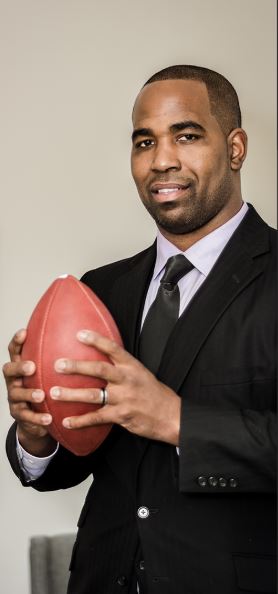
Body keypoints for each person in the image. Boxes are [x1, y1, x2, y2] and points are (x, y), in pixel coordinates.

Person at [4, 65, 276, 594]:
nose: (162, 160)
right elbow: (77, 460)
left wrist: (179, 421)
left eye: (188, 135)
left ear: (236, 147)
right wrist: (39, 433)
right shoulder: (100, 290)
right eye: (144, 141)